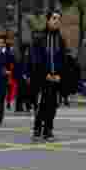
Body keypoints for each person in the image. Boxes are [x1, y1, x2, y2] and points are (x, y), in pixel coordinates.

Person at [30, 10, 70, 141]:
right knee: (43, 103)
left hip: (56, 78)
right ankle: (37, 128)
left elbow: (64, 60)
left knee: (53, 105)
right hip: (43, 77)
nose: (56, 21)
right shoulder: (39, 38)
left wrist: (60, 75)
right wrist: (44, 74)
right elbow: (36, 59)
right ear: (48, 20)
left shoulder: (61, 40)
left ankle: (48, 129)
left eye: (58, 19)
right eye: (54, 18)